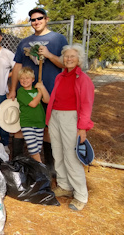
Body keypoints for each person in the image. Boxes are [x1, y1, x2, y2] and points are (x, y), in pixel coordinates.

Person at [8, 8, 68, 167]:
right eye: (33, 20)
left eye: (39, 18)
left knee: (47, 128)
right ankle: (18, 164)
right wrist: (13, 89)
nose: (36, 22)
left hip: (49, 91)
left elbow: (65, 63)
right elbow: (17, 66)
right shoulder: (24, 42)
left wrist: (48, 55)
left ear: (46, 19)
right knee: (20, 127)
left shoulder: (58, 39)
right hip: (27, 93)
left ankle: (49, 167)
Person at [46, 44, 94, 211]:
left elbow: (87, 105)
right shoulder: (60, 77)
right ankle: (65, 185)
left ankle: (81, 195)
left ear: (79, 59)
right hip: (56, 116)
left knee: (71, 156)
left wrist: (82, 128)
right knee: (57, 153)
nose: (69, 59)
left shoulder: (83, 79)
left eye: (73, 56)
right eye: (66, 56)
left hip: (71, 118)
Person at [17, 67, 50, 162]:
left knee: (37, 150)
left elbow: (47, 100)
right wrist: (39, 93)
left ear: (33, 80)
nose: (24, 80)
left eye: (27, 78)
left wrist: (42, 88)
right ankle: (41, 169)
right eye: (22, 78)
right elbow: (33, 104)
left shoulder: (36, 91)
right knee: (33, 150)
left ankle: (34, 169)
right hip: (27, 123)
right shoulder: (21, 92)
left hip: (39, 123)